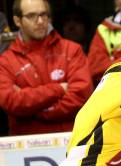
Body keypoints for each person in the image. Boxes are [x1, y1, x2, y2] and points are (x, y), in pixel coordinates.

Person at [0, 0, 92, 136]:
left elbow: (80, 97)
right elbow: (10, 101)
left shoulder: (72, 50)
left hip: (70, 142)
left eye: (44, 15)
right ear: (17, 20)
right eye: (31, 16)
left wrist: (31, 111)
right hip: (23, 147)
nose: (40, 21)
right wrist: (59, 89)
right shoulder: (6, 61)